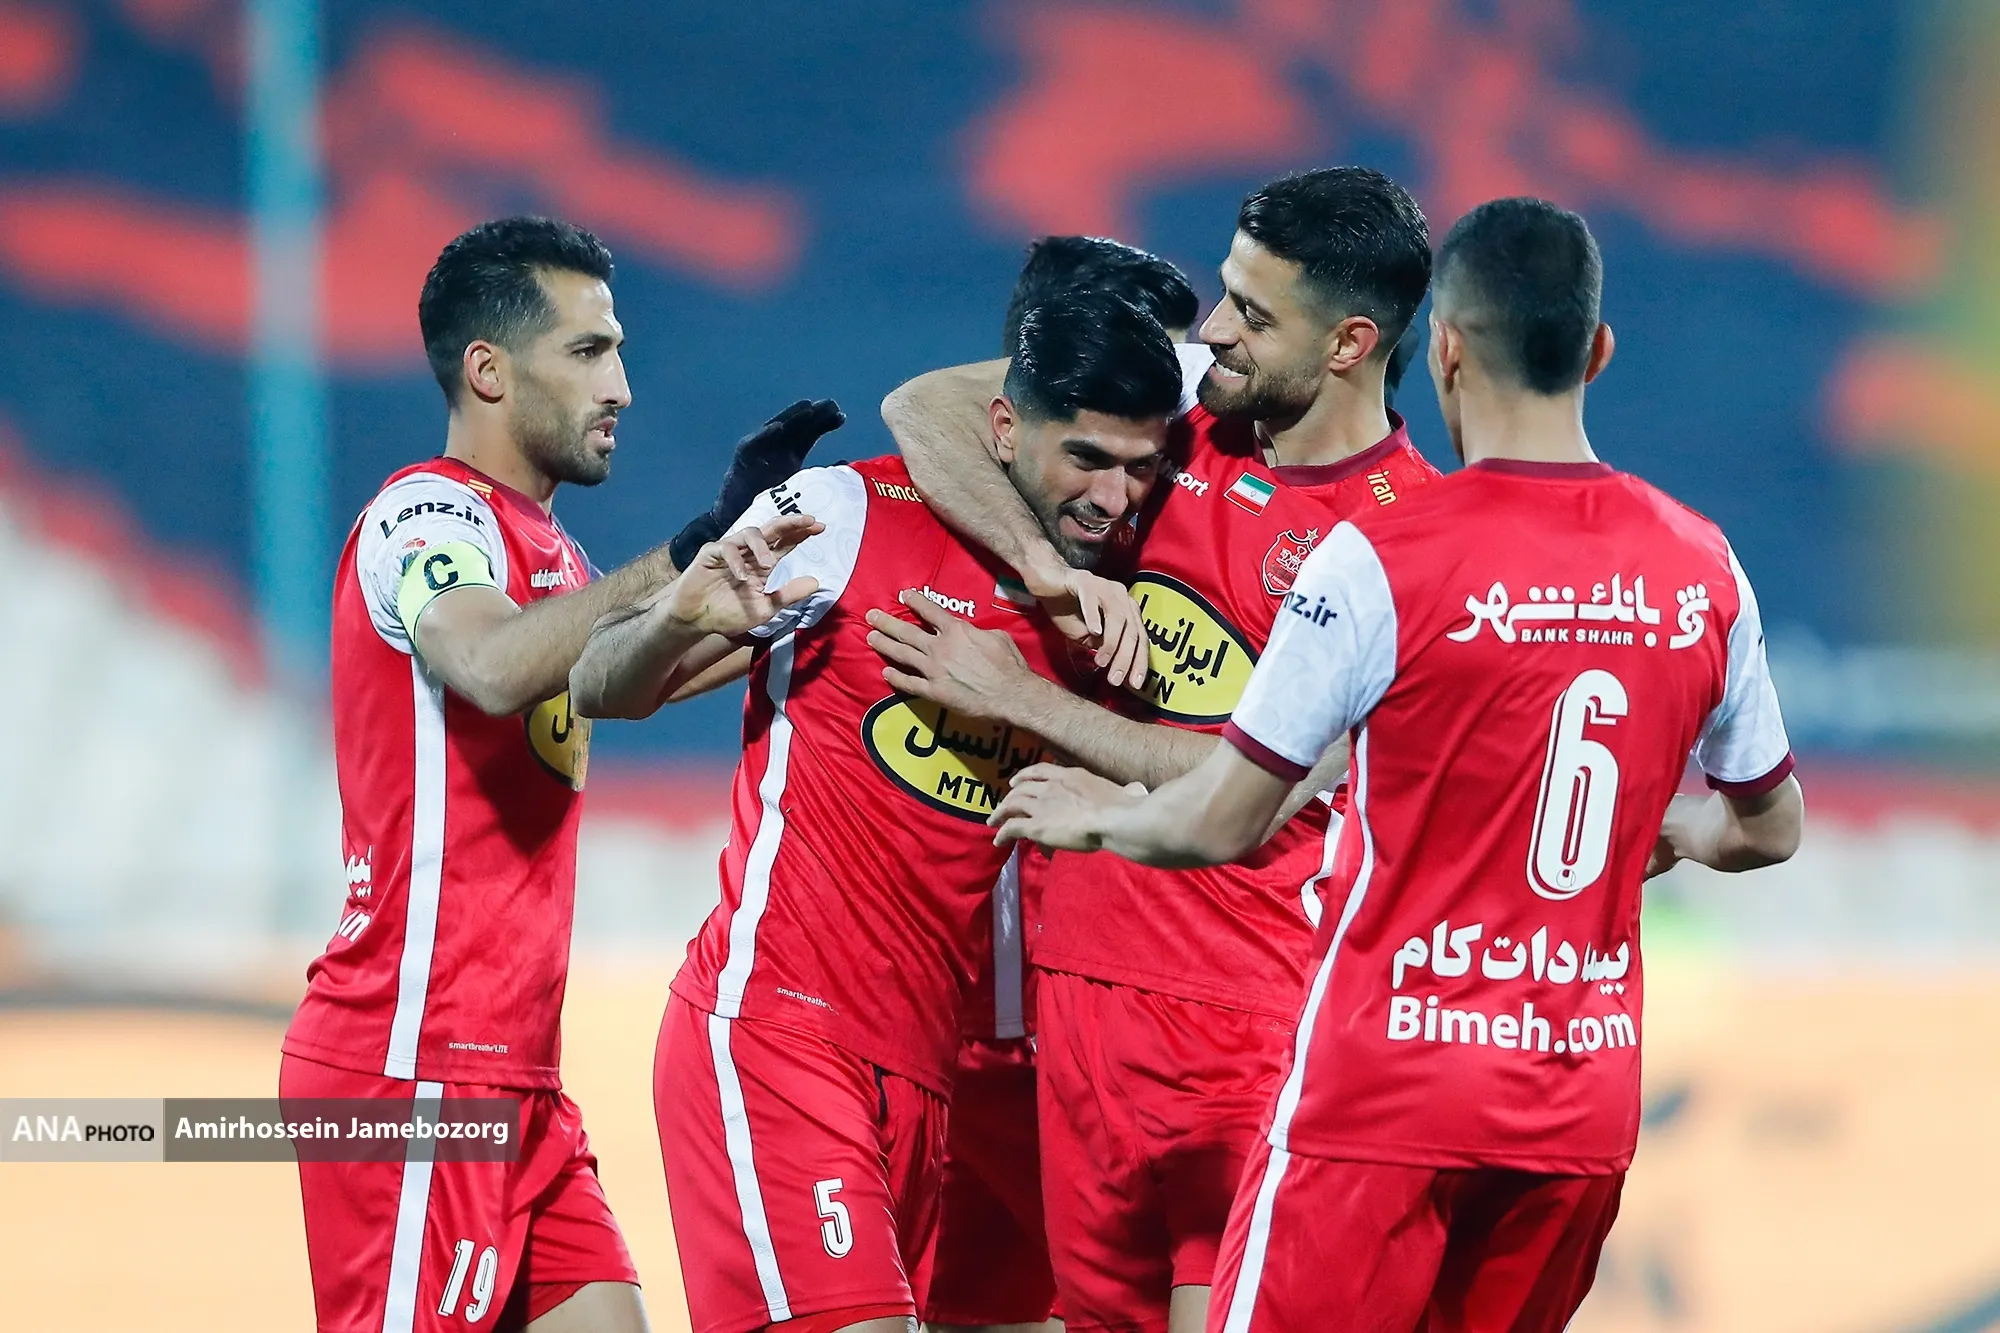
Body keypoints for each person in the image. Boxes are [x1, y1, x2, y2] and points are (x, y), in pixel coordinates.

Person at [990, 198, 1805, 1333]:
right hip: (1577, 1097)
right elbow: (1767, 827)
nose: (1216, 328)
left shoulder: (1382, 553)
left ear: (1444, 350)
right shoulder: (1702, 564)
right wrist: (1669, 832)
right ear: (1598, 352)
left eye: (1250, 310)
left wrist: (1089, 811)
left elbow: (1225, 816)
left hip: (1380, 1087)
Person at [875, 168, 1437, 1333]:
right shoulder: (1177, 404)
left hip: (1247, 1027)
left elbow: (1282, 785)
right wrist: (1049, 571)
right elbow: (924, 409)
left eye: (1252, 313)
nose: (1213, 328)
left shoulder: (1408, 543)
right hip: (1074, 1016)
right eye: (1225, 292)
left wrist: (1028, 702)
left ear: (1348, 343)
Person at [566, 291, 1184, 1333]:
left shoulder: (1109, 602)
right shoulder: (848, 518)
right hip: (777, 1032)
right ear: (1002, 427)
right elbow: (599, 684)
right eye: (1086, 458)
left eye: (1139, 468)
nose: (1112, 497)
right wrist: (677, 612)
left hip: (924, 1076)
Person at [280, 216, 843, 1333]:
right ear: (488, 370)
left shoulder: (550, 553)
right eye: (588, 352)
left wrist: (826, 588)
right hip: (413, 1069)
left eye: (617, 351)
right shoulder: (425, 515)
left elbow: (631, 679)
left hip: (519, 1078)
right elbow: (494, 665)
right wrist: (686, 554)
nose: (621, 385)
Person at [917, 234, 1201, 1333]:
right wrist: (1041, 574)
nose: (1124, 481)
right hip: (961, 1038)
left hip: (1097, 1035)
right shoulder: (923, 517)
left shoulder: (1183, 501)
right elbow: (915, 405)